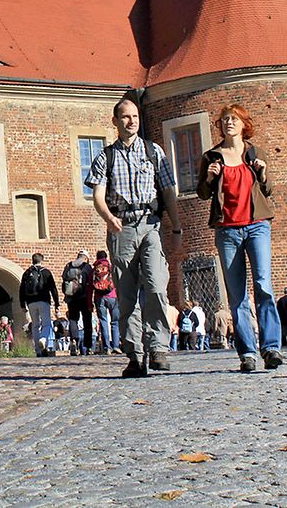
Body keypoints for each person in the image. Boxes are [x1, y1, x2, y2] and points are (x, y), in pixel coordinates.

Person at [85, 98, 183, 377]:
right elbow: (97, 196)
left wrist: (176, 228)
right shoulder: (106, 156)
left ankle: (157, 347)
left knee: (155, 285)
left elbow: (168, 192)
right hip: (122, 228)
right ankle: (135, 355)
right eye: (126, 117)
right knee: (126, 295)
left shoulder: (154, 152)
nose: (132, 121)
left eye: (135, 116)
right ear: (115, 122)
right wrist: (108, 217)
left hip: (150, 225)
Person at [197, 104, 283, 373]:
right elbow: (202, 193)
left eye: (233, 119)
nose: (228, 123)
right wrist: (210, 178)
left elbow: (267, 189)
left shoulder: (254, 153)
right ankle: (247, 352)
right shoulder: (212, 156)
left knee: (263, 285)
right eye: (224, 120)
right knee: (237, 295)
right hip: (227, 229)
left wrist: (263, 172)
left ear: (244, 123)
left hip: (257, 225)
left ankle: (271, 348)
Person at [19, 253, 60, 357]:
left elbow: (22, 290)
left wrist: (22, 304)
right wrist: (57, 304)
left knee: (35, 325)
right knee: (46, 324)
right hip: (44, 301)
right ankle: (43, 339)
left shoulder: (27, 273)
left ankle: (38, 350)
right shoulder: (46, 272)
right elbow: (53, 289)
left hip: (31, 302)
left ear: (32, 260)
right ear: (42, 260)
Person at [63, 249, 94, 355]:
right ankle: (88, 346)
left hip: (71, 297)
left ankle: (74, 341)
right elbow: (91, 282)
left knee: (73, 319)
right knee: (87, 321)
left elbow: (64, 280)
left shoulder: (68, 265)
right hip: (84, 297)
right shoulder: (87, 267)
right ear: (85, 258)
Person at [92, 249, 121, 354]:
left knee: (103, 321)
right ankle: (116, 345)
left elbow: (90, 287)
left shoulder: (95, 269)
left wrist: (90, 302)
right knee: (115, 322)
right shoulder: (111, 267)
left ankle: (106, 347)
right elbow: (118, 281)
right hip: (113, 296)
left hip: (99, 298)